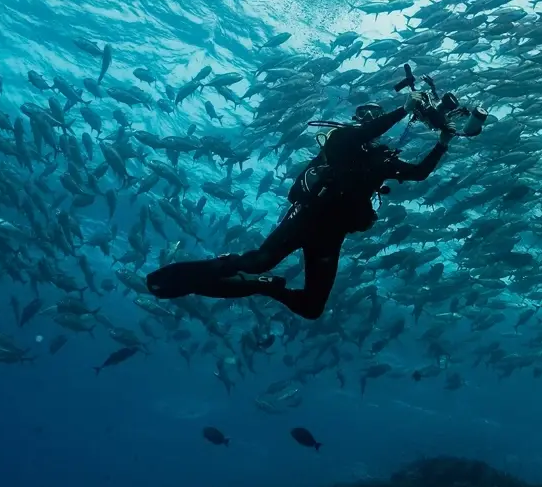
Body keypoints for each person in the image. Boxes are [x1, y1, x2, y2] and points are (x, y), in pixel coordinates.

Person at [145, 96, 460, 319]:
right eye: (365, 116)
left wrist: (443, 142)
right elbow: (364, 133)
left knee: (311, 308)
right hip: (308, 216)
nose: (368, 121)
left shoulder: (381, 160)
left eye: (373, 116)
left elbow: (418, 173)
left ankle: (265, 288)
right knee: (257, 261)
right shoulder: (340, 140)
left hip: (331, 235)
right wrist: (402, 109)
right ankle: (181, 278)